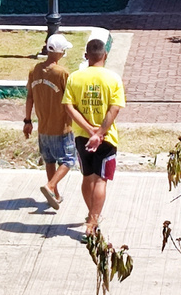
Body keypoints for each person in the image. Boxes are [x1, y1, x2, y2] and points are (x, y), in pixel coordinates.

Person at [61, 38, 125, 238]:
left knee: (87, 177)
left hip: (82, 137)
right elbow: (114, 109)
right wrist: (99, 133)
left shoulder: (75, 78)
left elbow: (68, 107)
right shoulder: (113, 79)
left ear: (86, 56)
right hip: (107, 139)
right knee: (101, 180)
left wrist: (89, 130)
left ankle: (91, 215)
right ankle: (93, 223)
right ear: (104, 55)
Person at [24, 33, 76, 211]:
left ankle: (55, 195)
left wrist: (27, 120)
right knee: (69, 159)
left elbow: (29, 97)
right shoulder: (62, 73)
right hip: (61, 127)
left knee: (49, 160)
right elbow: (71, 98)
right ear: (60, 52)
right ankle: (51, 186)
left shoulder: (34, 70)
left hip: (42, 127)